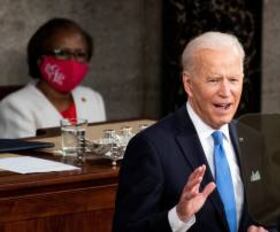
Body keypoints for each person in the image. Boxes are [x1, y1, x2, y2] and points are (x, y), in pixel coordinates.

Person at [113, 32, 266, 232]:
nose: (226, 91)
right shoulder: (151, 147)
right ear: (188, 84)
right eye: (214, 80)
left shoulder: (253, 139)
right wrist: (178, 216)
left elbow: (272, 214)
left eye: (234, 80)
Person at [0, 17, 106, 139]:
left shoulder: (93, 98)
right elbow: (20, 157)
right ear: (40, 58)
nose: (72, 61)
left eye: (80, 54)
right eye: (62, 53)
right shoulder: (14, 106)